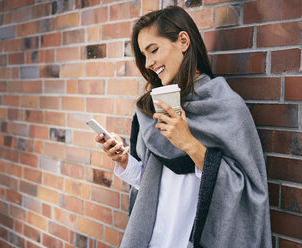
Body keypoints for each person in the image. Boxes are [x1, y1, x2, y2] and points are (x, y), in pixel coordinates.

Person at [94, 6, 272, 248]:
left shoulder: (226, 106)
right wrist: (124, 160)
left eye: (153, 50)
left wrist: (189, 143)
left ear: (183, 41)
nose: (148, 63)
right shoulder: (150, 109)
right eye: (143, 55)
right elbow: (149, 184)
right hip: (154, 239)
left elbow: (249, 192)